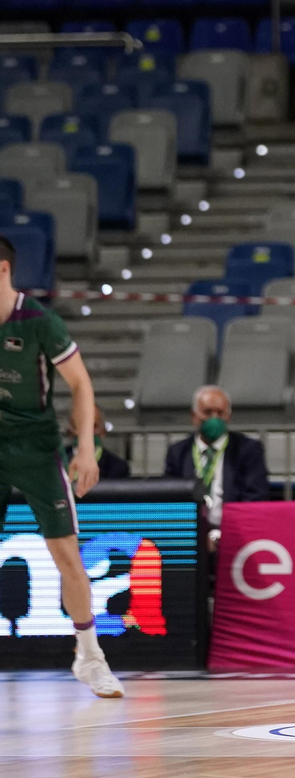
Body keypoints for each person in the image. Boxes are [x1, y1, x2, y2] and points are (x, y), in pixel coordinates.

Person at [0, 235, 123, 696]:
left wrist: (86, 448)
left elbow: (81, 384)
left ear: (2, 270)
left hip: (36, 448)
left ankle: (89, 657)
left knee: (67, 557)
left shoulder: (39, 321)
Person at [162, 385, 271, 552]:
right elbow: (171, 500)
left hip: (235, 536)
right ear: (194, 416)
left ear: (229, 417)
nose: (214, 419)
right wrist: (197, 535)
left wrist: (223, 534)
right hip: (190, 537)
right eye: (207, 412)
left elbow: (255, 497)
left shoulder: (248, 450)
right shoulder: (178, 452)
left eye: (220, 413)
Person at [62, 404, 130, 481]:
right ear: (69, 430)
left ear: (103, 431)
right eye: (79, 426)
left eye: (93, 426)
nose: (86, 432)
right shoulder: (56, 463)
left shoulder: (117, 468)